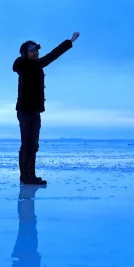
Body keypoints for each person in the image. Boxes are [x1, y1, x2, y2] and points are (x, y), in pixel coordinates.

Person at [14, 32, 80, 185]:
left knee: (33, 144)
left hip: (34, 110)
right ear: (25, 53)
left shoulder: (35, 66)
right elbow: (50, 57)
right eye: (32, 50)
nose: (36, 52)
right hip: (25, 111)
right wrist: (69, 42)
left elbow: (46, 59)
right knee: (27, 144)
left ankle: (30, 175)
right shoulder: (23, 64)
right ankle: (25, 176)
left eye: (36, 50)